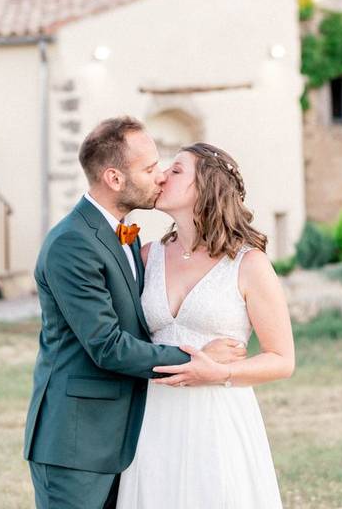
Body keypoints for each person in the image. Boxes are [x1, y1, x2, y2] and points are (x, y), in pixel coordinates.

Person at [24, 117, 247, 509]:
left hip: (128, 434)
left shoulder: (129, 237)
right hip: (75, 440)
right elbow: (107, 346)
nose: (160, 176)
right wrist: (197, 357)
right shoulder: (72, 244)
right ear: (114, 178)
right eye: (148, 169)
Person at [116, 142, 296, 508]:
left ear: (207, 187)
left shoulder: (249, 264)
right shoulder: (147, 256)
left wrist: (218, 371)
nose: (162, 175)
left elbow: (282, 359)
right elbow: (125, 340)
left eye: (177, 170)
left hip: (218, 416)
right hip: (155, 413)